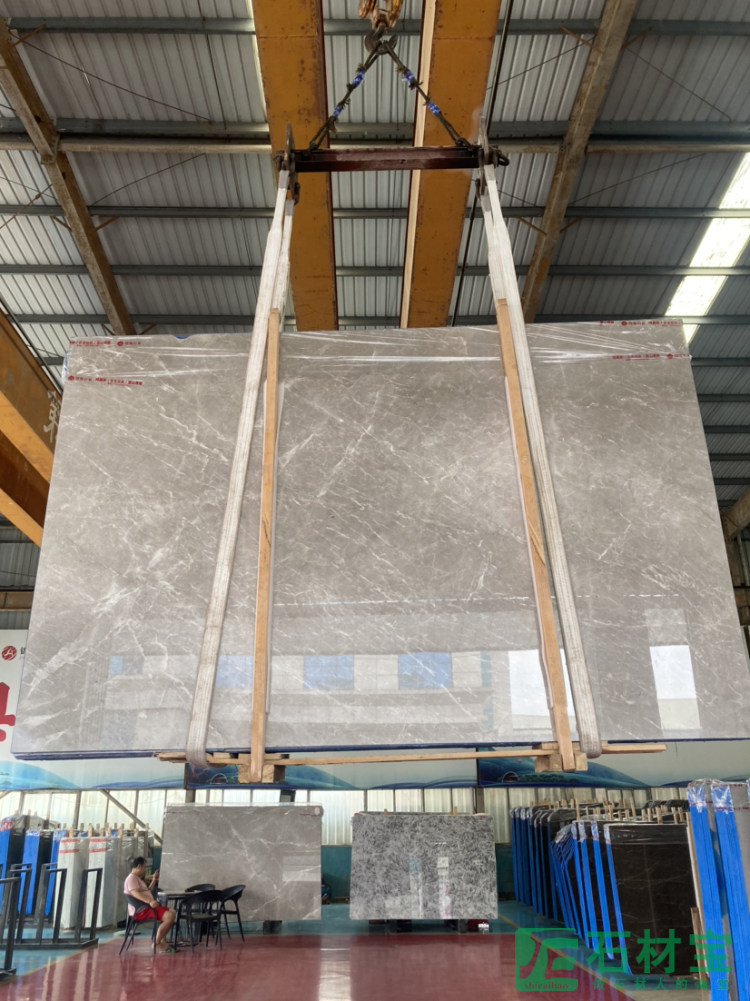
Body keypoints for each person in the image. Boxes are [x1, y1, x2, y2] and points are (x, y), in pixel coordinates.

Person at [123, 856, 177, 953]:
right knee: (169, 916)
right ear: (139, 866)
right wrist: (150, 901)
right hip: (141, 911)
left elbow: (148, 891)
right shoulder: (131, 879)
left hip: (146, 908)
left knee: (172, 912)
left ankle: (162, 941)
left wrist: (154, 879)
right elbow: (135, 893)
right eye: (144, 867)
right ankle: (157, 943)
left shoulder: (137, 879)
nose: (145, 869)